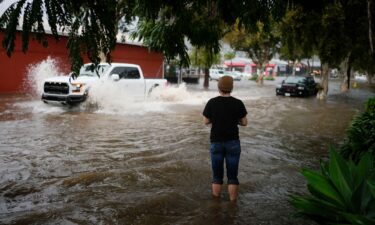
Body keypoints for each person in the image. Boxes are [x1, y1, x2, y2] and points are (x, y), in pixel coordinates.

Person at [203, 75, 248, 202]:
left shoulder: (212, 102)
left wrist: (216, 120)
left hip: (216, 142)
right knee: (233, 176)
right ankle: (233, 204)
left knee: (217, 176)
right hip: (233, 143)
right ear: (231, 88)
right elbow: (244, 122)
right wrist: (235, 121)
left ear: (219, 87)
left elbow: (205, 121)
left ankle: (216, 205)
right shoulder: (238, 103)